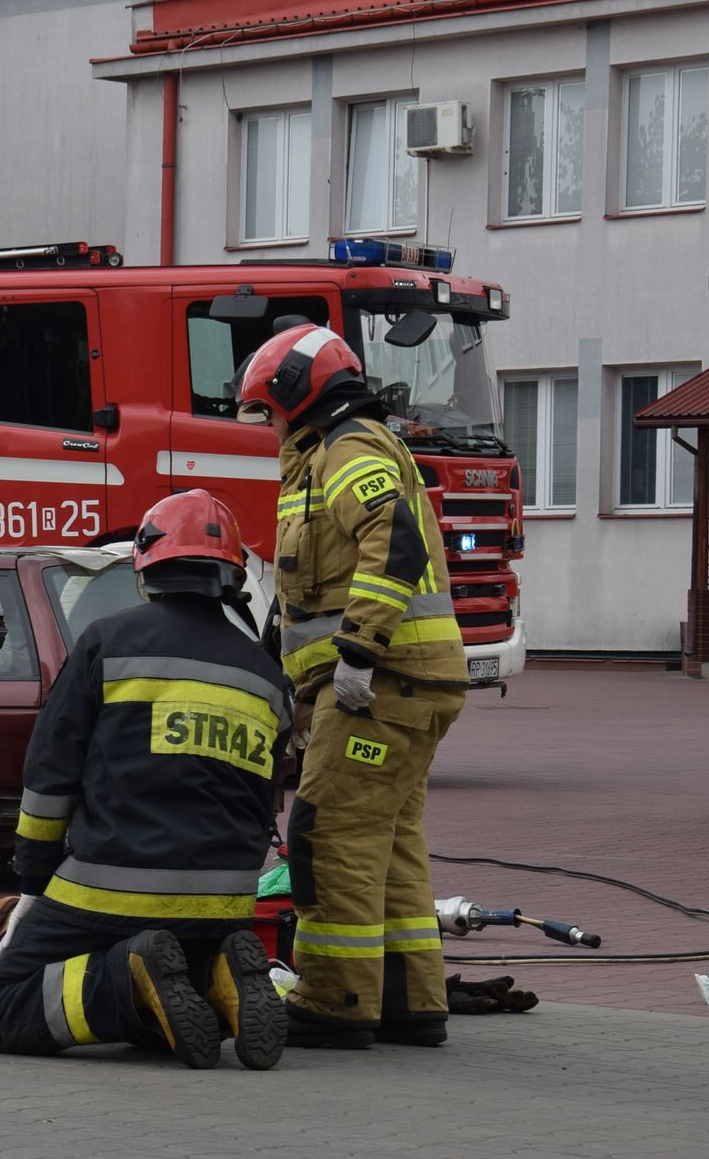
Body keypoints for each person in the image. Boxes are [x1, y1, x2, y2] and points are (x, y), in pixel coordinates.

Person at [0, 490, 290, 1070]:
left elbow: (50, 777)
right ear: (231, 577)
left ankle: (129, 975)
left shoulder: (106, 643)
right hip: (223, 905)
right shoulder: (266, 676)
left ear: (145, 568)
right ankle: (215, 975)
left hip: (107, 890)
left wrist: (34, 882)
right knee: (174, 991)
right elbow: (264, 799)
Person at [236, 323, 467, 1050]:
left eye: (268, 411)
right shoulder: (332, 455)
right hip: (403, 685)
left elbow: (391, 542)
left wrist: (360, 652)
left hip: (381, 682)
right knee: (386, 842)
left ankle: (335, 1000)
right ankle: (407, 999)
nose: (268, 427)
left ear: (297, 394)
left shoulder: (347, 449)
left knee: (326, 833)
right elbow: (309, 594)